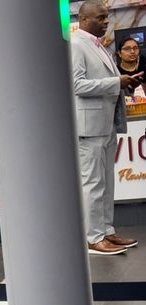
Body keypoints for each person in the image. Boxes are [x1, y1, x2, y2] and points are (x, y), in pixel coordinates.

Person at [71, 0, 143, 255]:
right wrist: (116, 82)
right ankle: (93, 237)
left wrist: (125, 84)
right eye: (101, 17)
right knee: (93, 184)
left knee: (106, 183)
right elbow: (76, 85)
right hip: (88, 127)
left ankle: (107, 231)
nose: (106, 22)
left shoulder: (98, 45)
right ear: (84, 18)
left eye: (107, 17)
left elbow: (101, 82)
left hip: (105, 124)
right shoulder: (77, 45)